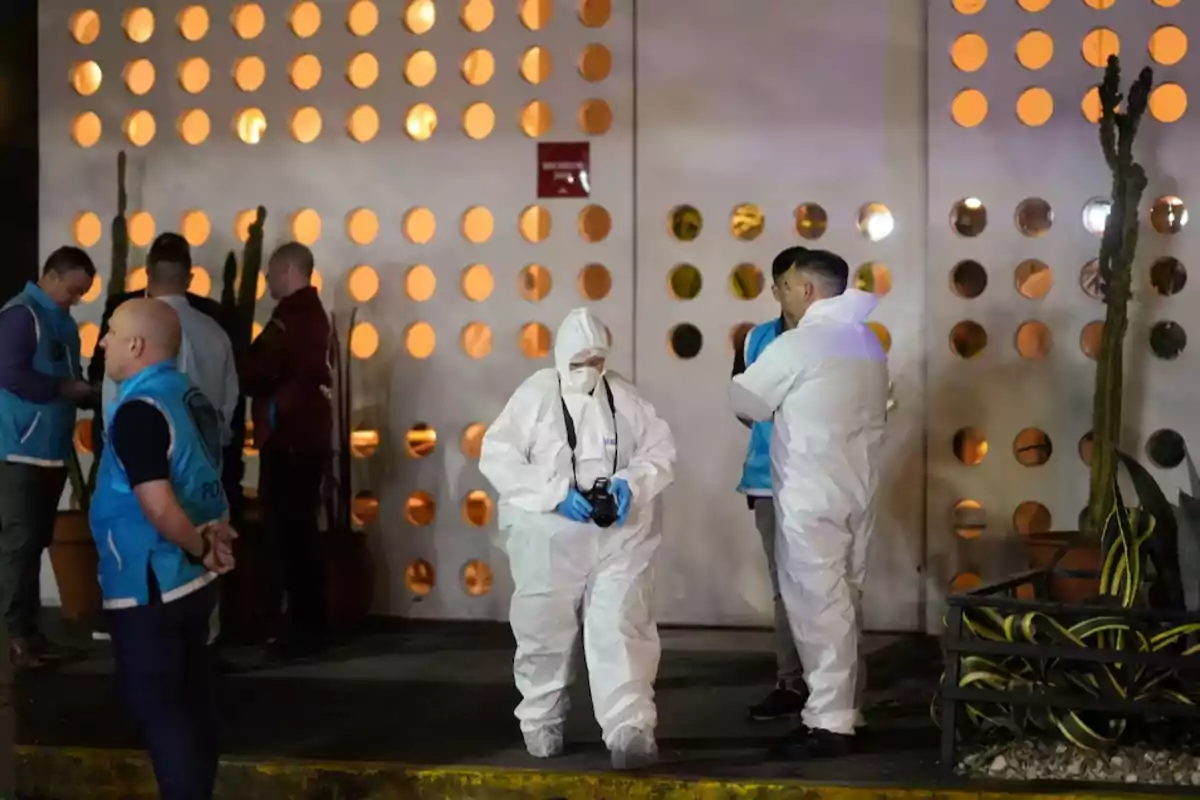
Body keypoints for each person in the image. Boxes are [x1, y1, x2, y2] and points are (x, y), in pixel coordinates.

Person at [479, 307, 676, 770]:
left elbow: (660, 449)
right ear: (560, 357)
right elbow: (498, 457)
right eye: (579, 360)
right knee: (543, 631)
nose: (589, 369)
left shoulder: (622, 395)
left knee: (621, 625)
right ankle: (541, 719)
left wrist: (631, 481)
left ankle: (630, 728)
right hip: (549, 535)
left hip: (618, 535)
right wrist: (554, 494)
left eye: (596, 359)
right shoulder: (535, 396)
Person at [729, 248, 888, 759]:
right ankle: (846, 708)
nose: (783, 293)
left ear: (807, 290)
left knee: (818, 606)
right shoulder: (866, 342)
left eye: (788, 285)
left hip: (809, 492)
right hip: (856, 489)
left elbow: (746, 401)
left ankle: (830, 721)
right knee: (844, 601)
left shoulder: (801, 344)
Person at [90, 298, 236, 800]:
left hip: (152, 582)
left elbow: (158, 505)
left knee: (164, 713)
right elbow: (201, 477)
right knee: (193, 704)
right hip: (191, 583)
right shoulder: (188, 396)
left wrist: (198, 546)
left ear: (135, 344)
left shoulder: (137, 410)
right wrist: (212, 542)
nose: (103, 342)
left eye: (110, 332)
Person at [99, 234, 239, 649]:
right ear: (189, 276)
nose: (106, 342)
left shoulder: (136, 345)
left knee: (155, 674)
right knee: (194, 643)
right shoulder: (214, 332)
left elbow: (115, 413)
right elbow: (228, 406)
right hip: (207, 494)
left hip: (149, 556)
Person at [0, 246, 97, 670]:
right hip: (19, 447)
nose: (74, 299)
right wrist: (63, 389)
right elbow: (8, 372)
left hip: (49, 449)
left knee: (34, 541)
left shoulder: (60, 321)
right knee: (20, 543)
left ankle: (29, 633)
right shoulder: (23, 315)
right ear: (51, 276)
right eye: (72, 290)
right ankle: (17, 635)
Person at [242, 242, 333, 660]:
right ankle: (309, 625)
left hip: (289, 437)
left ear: (288, 271)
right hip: (306, 436)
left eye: (270, 273)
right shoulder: (311, 315)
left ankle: (296, 629)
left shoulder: (290, 317)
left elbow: (259, 365)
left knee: (287, 534)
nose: (266, 281)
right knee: (301, 534)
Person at [733, 246, 810, 721]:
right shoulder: (757, 339)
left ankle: (831, 683)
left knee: (827, 583)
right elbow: (742, 401)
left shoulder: (837, 339)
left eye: (804, 285)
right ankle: (791, 681)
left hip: (822, 480)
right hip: (767, 480)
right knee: (784, 583)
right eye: (786, 284)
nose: (796, 293)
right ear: (776, 288)